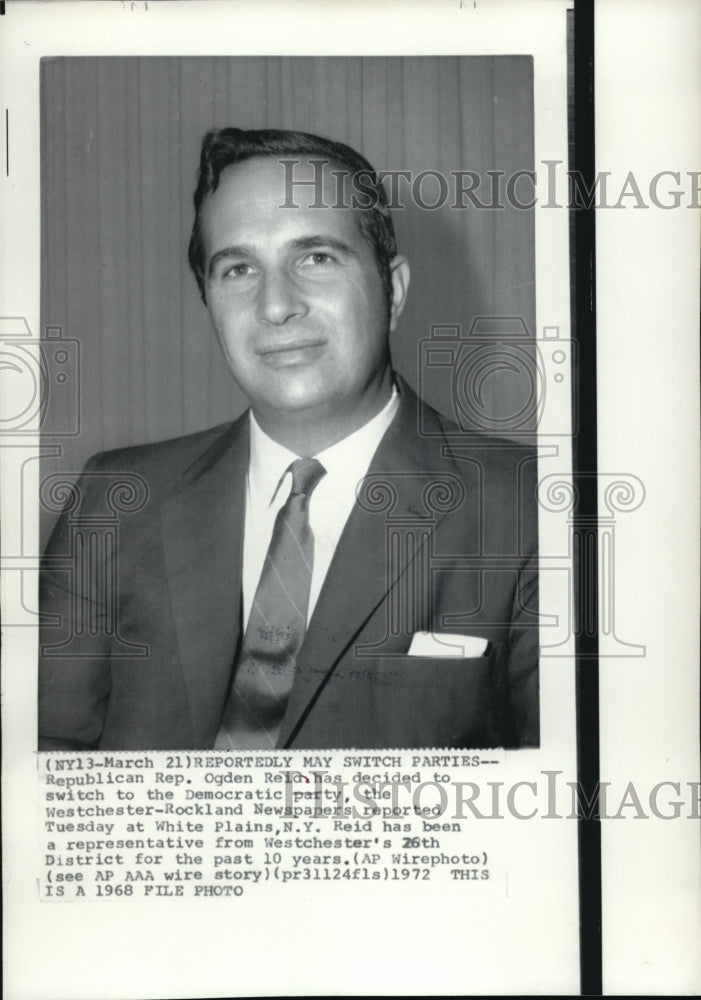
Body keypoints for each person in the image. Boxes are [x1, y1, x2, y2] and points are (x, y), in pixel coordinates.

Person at [38, 127, 539, 751]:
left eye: (316, 258)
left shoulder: (531, 510)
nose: (275, 305)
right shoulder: (110, 502)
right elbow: (39, 772)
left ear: (395, 291)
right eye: (239, 268)